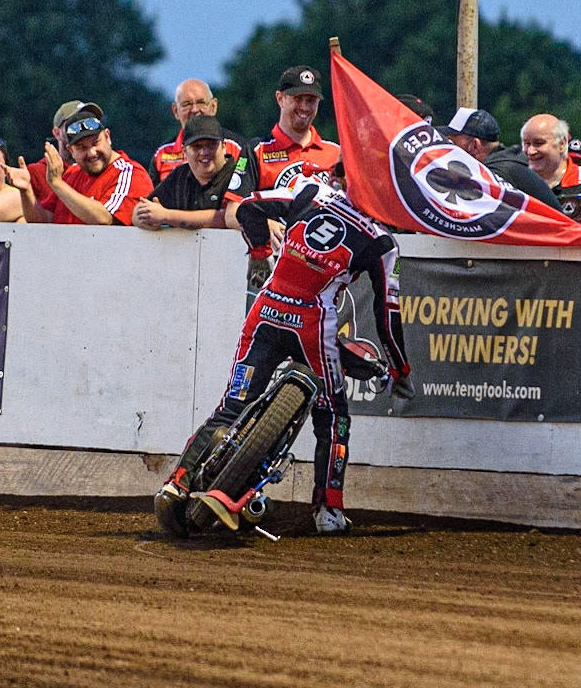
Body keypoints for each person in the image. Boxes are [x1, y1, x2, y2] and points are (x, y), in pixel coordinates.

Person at [156, 165, 413, 535]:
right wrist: (401, 369)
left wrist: (261, 252)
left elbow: (247, 207)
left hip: (266, 311)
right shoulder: (384, 242)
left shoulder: (310, 193)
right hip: (312, 326)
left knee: (232, 407)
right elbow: (387, 315)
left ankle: (176, 483)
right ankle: (328, 510)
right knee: (334, 416)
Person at [10, 107, 152, 225]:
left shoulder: (129, 173)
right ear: (71, 151)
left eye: (95, 142)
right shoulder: (71, 174)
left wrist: (56, 183)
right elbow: (43, 221)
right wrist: (26, 190)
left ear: (108, 137)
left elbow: (104, 218)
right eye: (81, 147)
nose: (91, 153)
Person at [133, 114, 256, 230]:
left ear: (223, 146)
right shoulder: (180, 175)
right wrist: (148, 219)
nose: (204, 152)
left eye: (211, 145)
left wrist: (166, 216)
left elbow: (228, 217)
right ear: (184, 152)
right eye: (197, 146)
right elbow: (137, 212)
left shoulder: (239, 175)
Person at [442, 107, 563, 210]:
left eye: (452, 141)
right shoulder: (507, 164)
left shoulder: (499, 174)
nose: (448, 147)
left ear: (475, 145)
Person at [250, 66, 341, 190]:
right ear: (280, 99)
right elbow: (235, 206)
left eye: (311, 100)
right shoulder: (257, 151)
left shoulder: (337, 154)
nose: (304, 107)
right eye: (297, 99)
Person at [151, 78, 243, 184]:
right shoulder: (162, 154)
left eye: (201, 103)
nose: (194, 110)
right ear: (175, 111)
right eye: (187, 104)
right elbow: (151, 197)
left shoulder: (239, 148)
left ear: (213, 107)